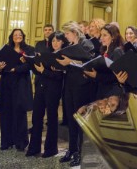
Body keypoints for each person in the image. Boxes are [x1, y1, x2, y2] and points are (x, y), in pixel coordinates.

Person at [56, 21, 94, 167]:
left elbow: (89, 63)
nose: (65, 36)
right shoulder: (69, 47)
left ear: (75, 32)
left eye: (67, 33)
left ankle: (80, 152)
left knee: (79, 120)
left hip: (82, 86)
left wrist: (70, 61)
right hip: (70, 85)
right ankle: (71, 149)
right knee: (71, 118)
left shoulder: (87, 44)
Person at [0, 29, 35, 151]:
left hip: (21, 83)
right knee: (5, 112)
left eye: (20, 35)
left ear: (23, 37)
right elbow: (0, 67)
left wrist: (15, 69)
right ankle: (6, 141)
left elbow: (30, 65)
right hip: (6, 83)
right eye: (15, 35)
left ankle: (20, 142)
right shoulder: (6, 49)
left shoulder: (29, 49)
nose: (18, 36)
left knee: (19, 112)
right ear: (12, 37)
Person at [26, 31, 67, 157]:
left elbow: (58, 77)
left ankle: (51, 149)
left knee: (51, 118)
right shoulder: (47, 54)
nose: (55, 43)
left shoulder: (63, 57)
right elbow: (39, 71)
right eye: (53, 41)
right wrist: (33, 63)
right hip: (41, 87)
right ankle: (34, 148)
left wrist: (44, 70)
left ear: (63, 42)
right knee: (36, 117)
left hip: (53, 89)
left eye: (58, 40)